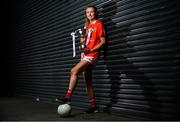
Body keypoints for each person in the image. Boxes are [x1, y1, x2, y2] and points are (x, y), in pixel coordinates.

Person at [56, 4, 106, 114]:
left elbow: (103, 41)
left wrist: (92, 49)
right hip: (85, 54)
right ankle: (94, 107)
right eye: (87, 12)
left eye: (92, 12)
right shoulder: (86, 25)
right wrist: (82, 40)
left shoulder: (99, 24)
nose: (89, 14)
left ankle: (68, 97)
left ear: (95, 13)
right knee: (88, 82)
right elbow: (84, 42)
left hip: (92, 54)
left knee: (73, 71)